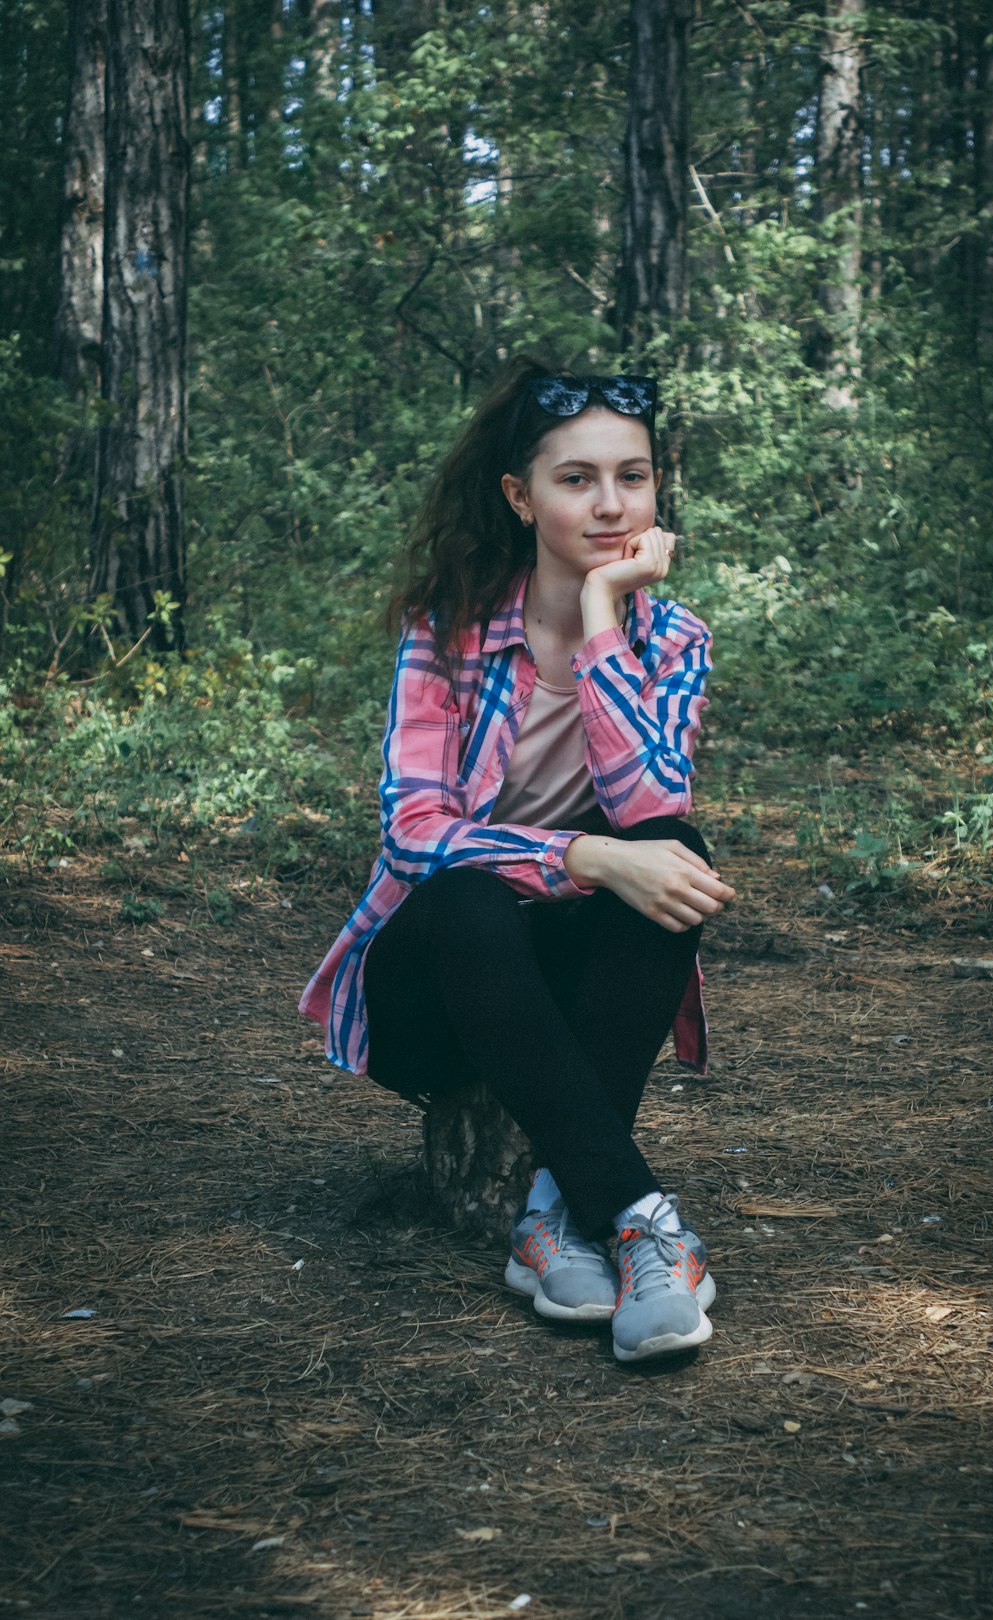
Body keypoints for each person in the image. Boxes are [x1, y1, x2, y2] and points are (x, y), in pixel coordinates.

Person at [299, 360, 735, 1364]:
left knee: (676, 851)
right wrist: (580, 856)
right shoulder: (445, 629)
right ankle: (641, 1219)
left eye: (633, 476)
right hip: (440, 994)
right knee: (465, 896)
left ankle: (552, 1216)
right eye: (576, 479)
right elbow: (414, 833)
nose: (611, 503)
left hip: (569, 999)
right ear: (520, 495)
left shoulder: (672, 641)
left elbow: (649, 809)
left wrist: (600, 621)